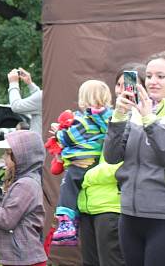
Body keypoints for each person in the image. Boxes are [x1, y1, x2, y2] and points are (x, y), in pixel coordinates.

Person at [103, 51, 165, 266]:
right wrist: (119, 116)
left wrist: (150, 120)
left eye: (161, 76)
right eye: (149, 76)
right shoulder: (137, 111)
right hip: (130, 216)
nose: (152, 81)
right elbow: (112, 157)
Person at [77, 63, 144, 266]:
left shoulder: (139, 119)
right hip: (88, 204)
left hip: (112, 206)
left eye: (129, 84)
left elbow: (123, 165)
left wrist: (85, 174)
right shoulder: (108, 117)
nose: (123, 89)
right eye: (119, 84)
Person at [50, 80, 113, 245]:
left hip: (80, 161)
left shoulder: (85, 120)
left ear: (84, 99)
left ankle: (66, 222)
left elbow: (69, 138)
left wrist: (59, 133)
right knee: (77, 190)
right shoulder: (108, 118)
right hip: (94, 161)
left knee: (67, 187)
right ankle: (74, 218)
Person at [0, 129, 47, 266]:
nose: (4, 157)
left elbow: (6, 219)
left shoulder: (26, 184)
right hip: (19, 258)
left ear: (22, 158)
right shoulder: (24, 182)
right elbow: (14, 206)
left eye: (7, 153)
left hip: (25, 260)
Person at [8, 67, 42, 135]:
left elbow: (16, 106)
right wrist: (30, 84)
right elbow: (39, 102)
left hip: (40, 144)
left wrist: (13, 83)